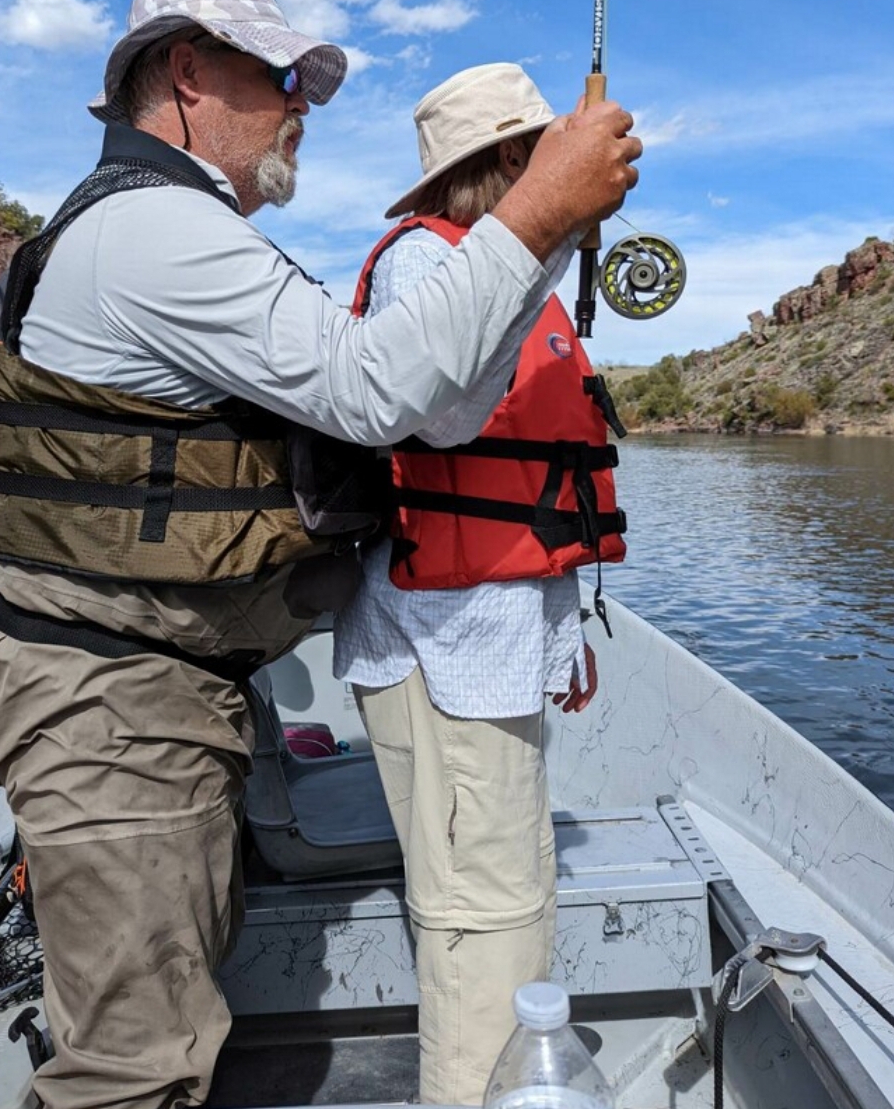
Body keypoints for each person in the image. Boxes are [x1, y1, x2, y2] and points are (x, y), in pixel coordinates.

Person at [0, 0, 641, 1109]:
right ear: (185, 72)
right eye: (279, 76)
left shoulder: (156, 229)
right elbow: (381, 393)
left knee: (161, 1031)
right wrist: (544, 213)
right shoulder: (156, 237)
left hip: (144, 694)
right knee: (132, 1072)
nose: (302, 106)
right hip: (111, 708)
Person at [334, 62, 627, 1105]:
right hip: (446, 651)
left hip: (491, 644)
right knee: (483, 918)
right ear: (508, 162)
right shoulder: (428, 261)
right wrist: (543, 227)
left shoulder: (498, 269)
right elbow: (442, 415)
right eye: (542, 153)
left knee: (504, 900)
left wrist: (562, 630)